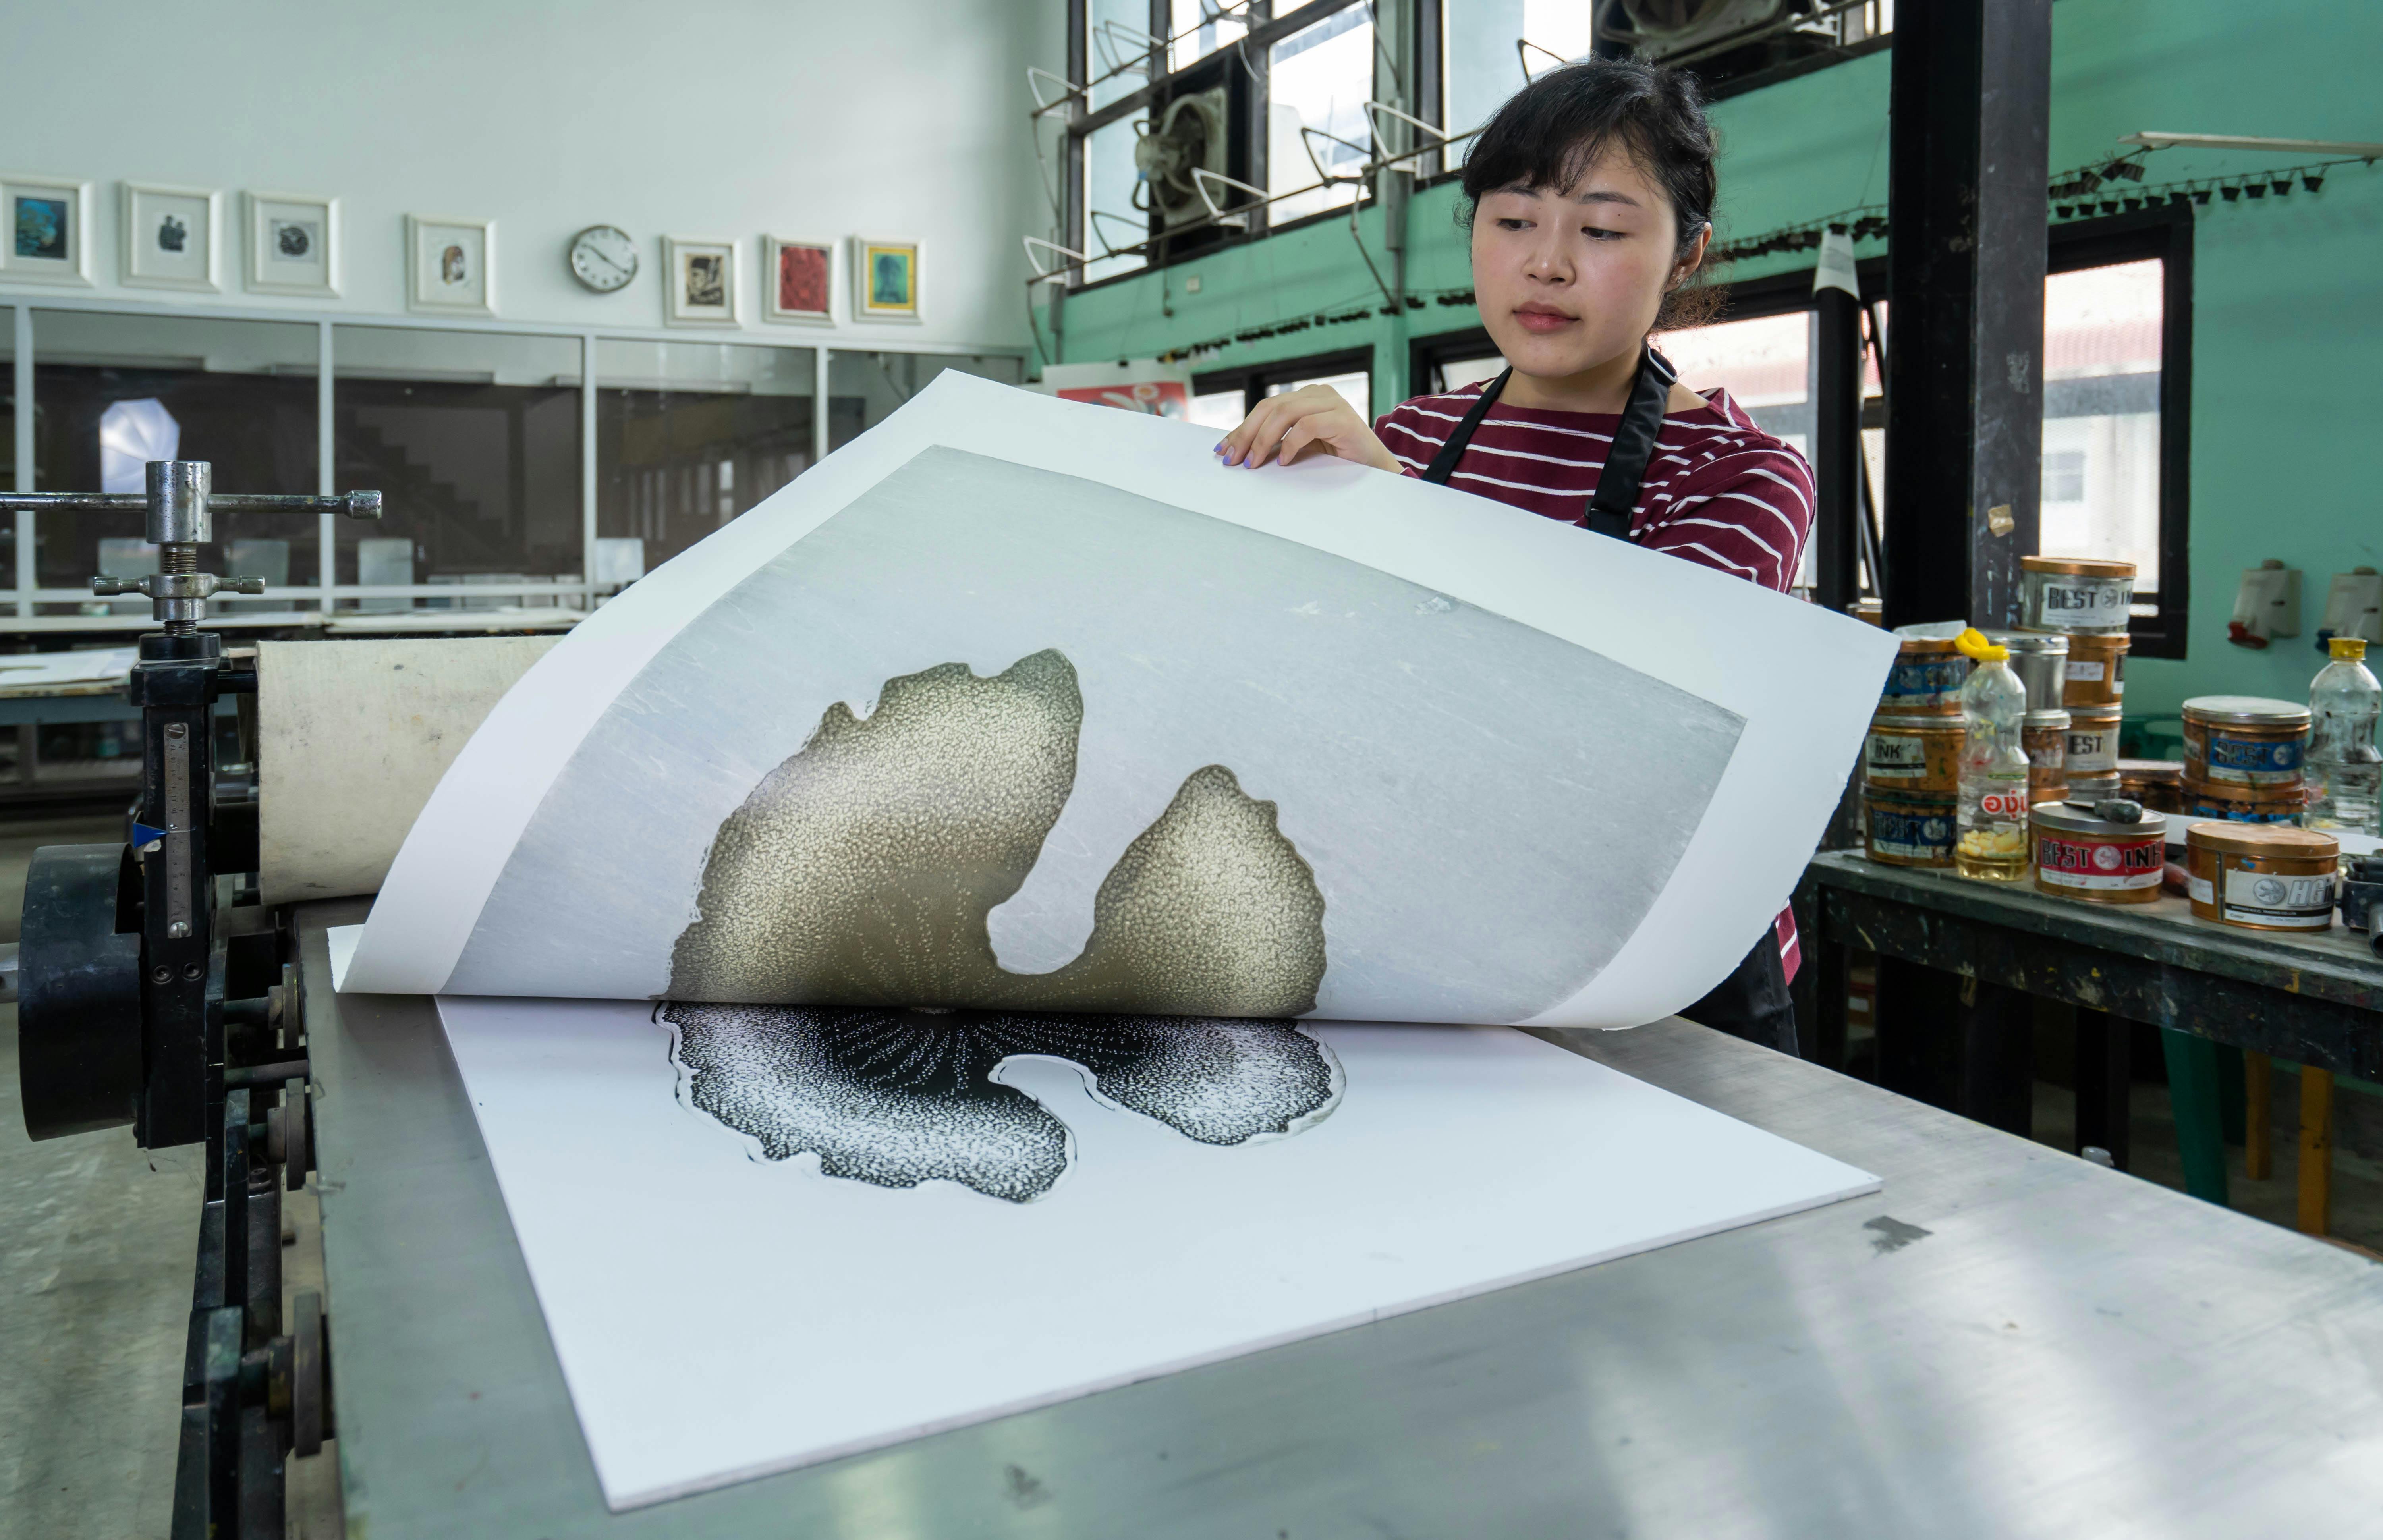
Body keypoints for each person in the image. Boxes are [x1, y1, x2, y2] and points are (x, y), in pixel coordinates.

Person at [1213, 58, 1814, 1054]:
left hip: (1649, 979)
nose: (1548, 263)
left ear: (1686, 256)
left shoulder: (1739, 475)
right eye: (1514, 220)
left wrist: (1391, 518)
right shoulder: (1406, 434)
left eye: (1606, 230)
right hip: (1417, 932)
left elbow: (1629, 736)